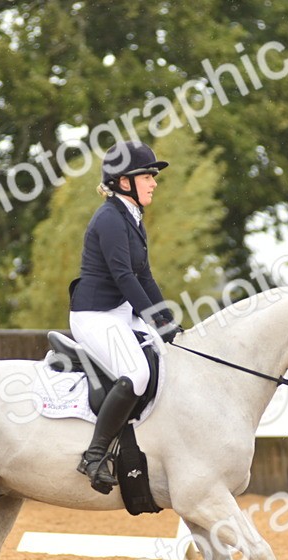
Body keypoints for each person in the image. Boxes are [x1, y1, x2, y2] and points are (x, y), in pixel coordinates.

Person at [68, 140, 180, 494]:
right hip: (95, 315)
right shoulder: (110, 219)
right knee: (137, 372)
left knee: (168, 359)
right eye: (148, 175)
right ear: (124, 181)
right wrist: (156, 322)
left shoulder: (132, 218)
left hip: (121, 313)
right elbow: (124, 277)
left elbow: (145, 276)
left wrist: (168, 323)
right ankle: (95, 454)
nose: (154, 182)